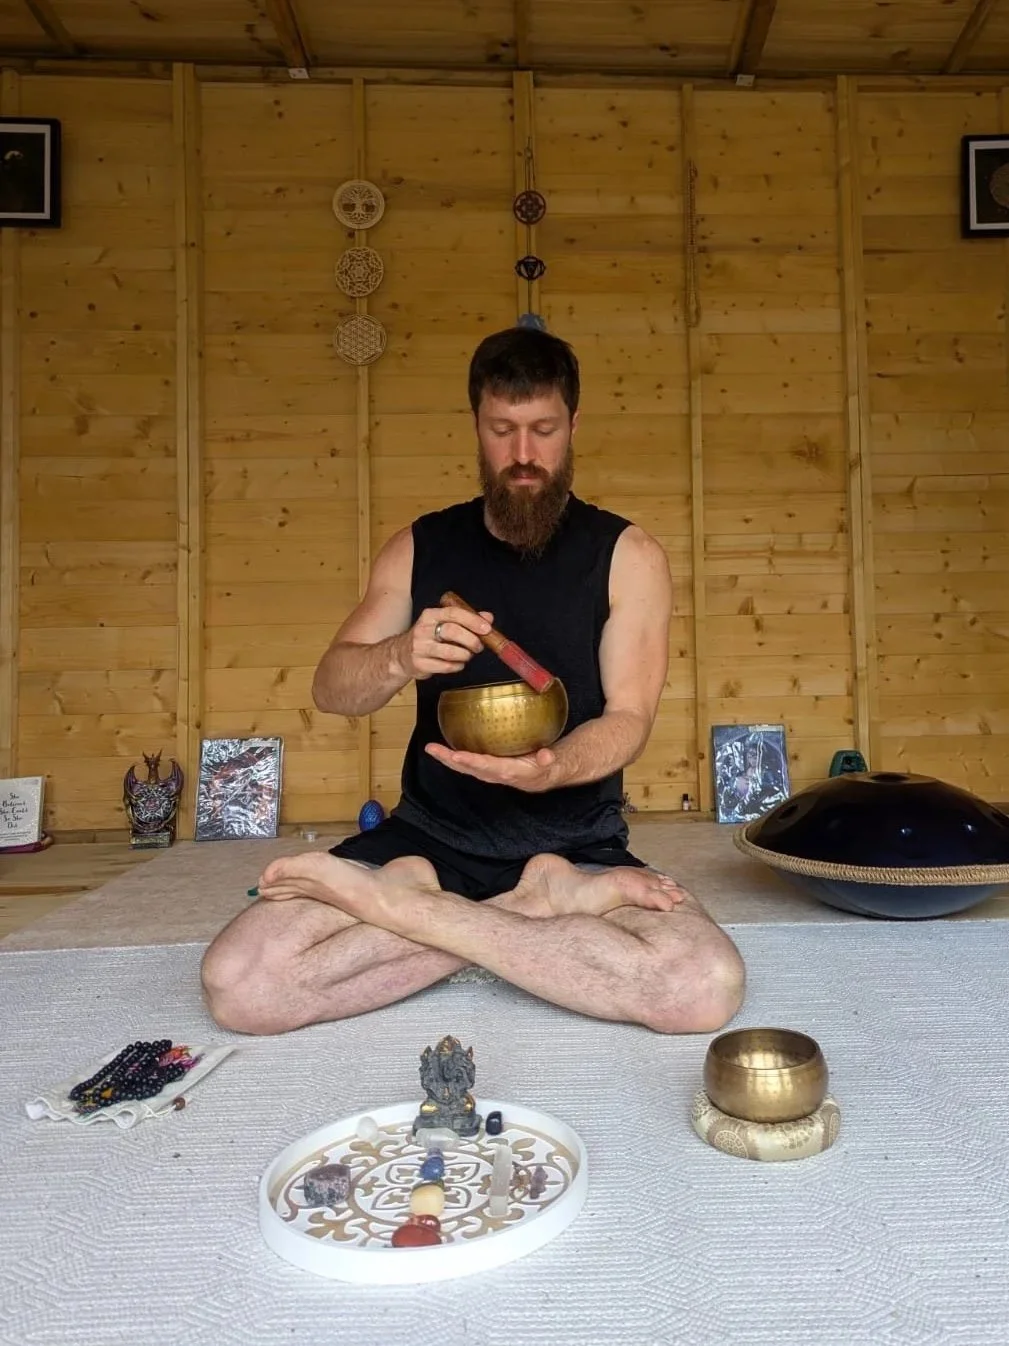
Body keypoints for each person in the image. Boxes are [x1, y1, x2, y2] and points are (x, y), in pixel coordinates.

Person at [201, 327, 745, 1036]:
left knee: (701, 987)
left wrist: (554, 769)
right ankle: (534, 908)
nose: (523, 455)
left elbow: (629, 718)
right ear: (477, 427)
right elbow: (333, 690)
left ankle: (415, 907)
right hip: (427, 841)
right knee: (239, 986)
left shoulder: (627, 555)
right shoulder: (419, 546)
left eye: (543, 430)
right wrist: (398, 656)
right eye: (503, 430)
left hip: (575, 844)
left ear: (573, 426)